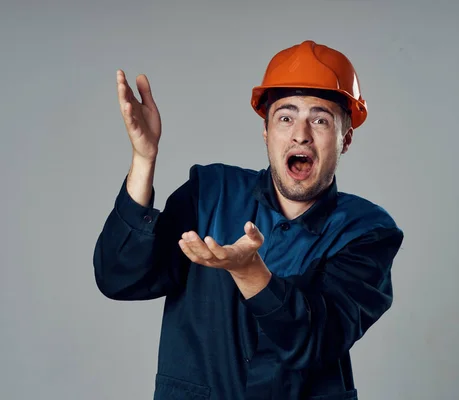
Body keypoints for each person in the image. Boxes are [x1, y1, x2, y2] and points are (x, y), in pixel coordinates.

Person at [93, 40, 404, 400]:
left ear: (345, 139)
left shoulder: (367, 230)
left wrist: (248, 271)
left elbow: (314, 339)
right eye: (285, 117)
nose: (300, 134)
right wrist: (144, 160)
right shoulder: (210, 192)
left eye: (319, 119)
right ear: (266, 132)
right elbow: (118, 278)